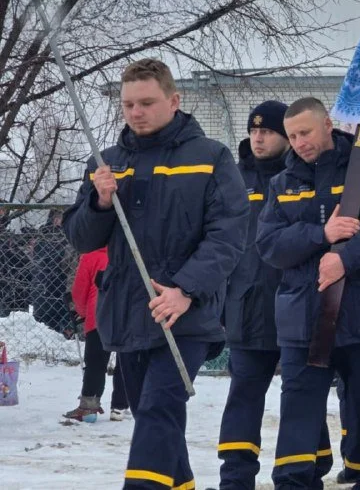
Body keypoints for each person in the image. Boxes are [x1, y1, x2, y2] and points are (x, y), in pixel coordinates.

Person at [62, 58, 249, 489]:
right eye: (128, 104)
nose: (136, 112)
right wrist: (99, 203)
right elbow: (81, 238)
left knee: (160, 408)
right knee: (155, 417)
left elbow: (229, 235)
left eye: (146, 102)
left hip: (186, 316)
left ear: (174, 100)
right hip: (128, 313)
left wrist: (185, 289)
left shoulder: (211, 158)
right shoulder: (107, 163)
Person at [257, 97, 360, 490]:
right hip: (302, 317)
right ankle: (293, 482)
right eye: (292, 136)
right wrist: (320, 235)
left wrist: (346, 258)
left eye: (305, 132)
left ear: (328, 124)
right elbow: (269, 246)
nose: (299, 143)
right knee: (298, 408)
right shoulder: (282, 183)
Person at [216, 100, 333, 488]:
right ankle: (235, 477)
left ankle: (312, 464)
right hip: (248, 305)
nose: (258, 138)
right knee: (244, 393)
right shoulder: (234, 179)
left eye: (267, 131)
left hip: (298, 303)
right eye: (254, 131)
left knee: (300, 393)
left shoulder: (302, 176)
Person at [63, 246, 130, 422]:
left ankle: (89, 407)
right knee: (126, 362)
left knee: (95, 363)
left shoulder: (91, 256)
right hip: (128, 315)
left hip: (99, 314)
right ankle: (120, 406)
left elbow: (79, 291)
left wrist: (83, 312)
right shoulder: (132, 253)